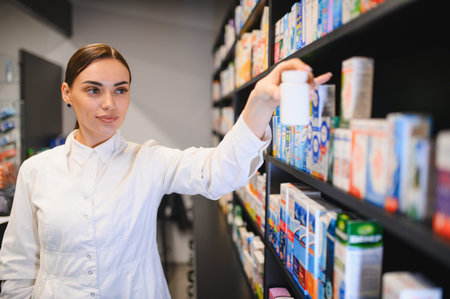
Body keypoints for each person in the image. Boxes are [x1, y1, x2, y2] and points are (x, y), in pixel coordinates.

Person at [0, 43, 331, 298]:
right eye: (93, 89)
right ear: (66, 93)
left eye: (120, 89)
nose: (109, 104)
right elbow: (18, 265)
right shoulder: (36, 171)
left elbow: (219, 172)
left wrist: (260, 103)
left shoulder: (148, 160)